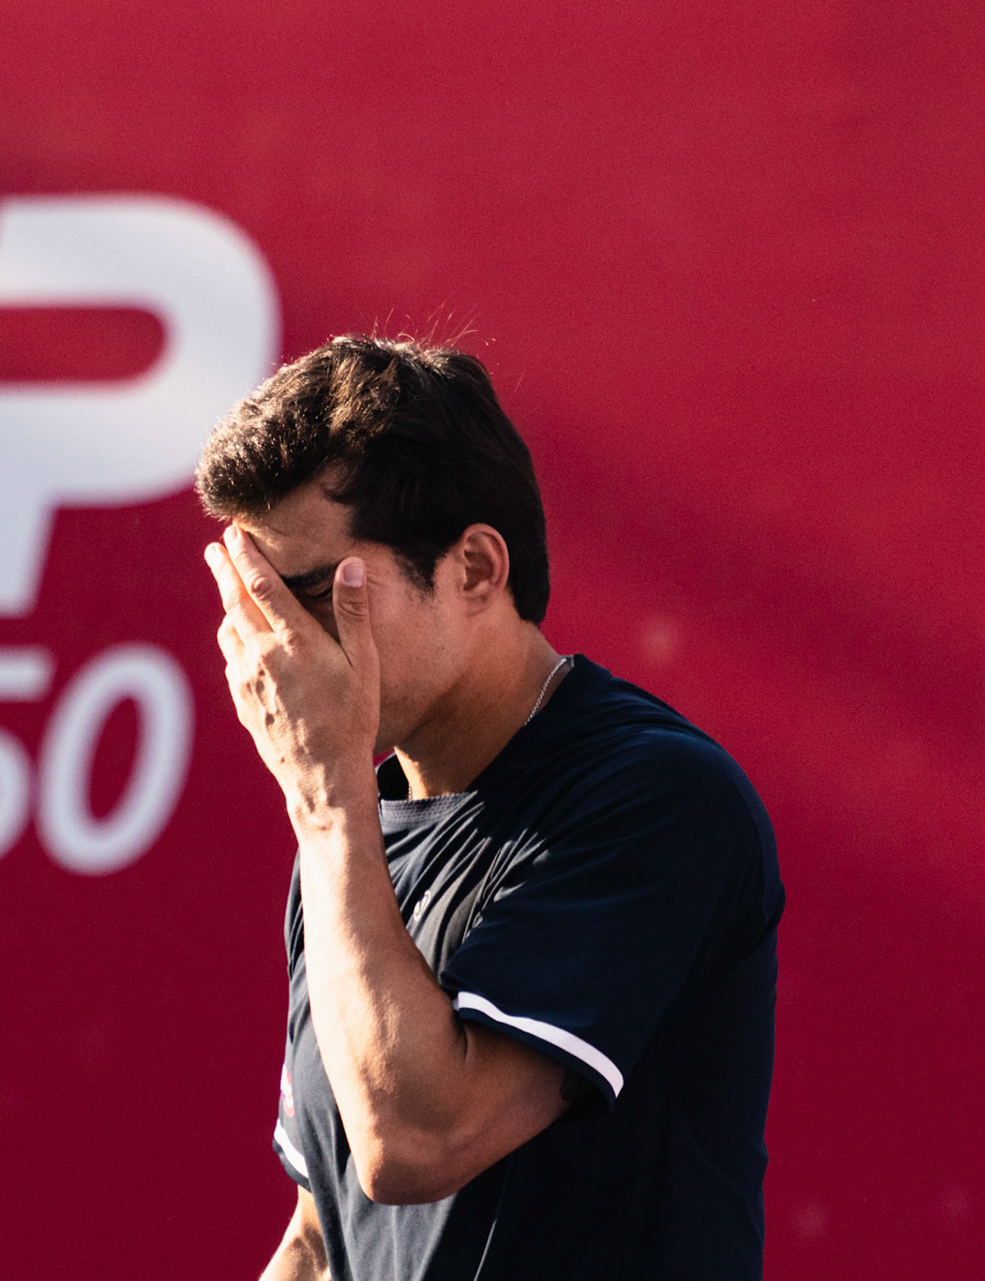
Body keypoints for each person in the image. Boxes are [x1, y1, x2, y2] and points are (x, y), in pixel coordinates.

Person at [195, 336, 783, 1280]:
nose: (281, 650)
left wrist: (325, 799)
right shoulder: (345, 834)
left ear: (473, 568)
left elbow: (416, 1140)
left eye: (311, 596)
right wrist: (333, 810)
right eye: (258, 608)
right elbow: (323, 1235)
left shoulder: (659, 799)